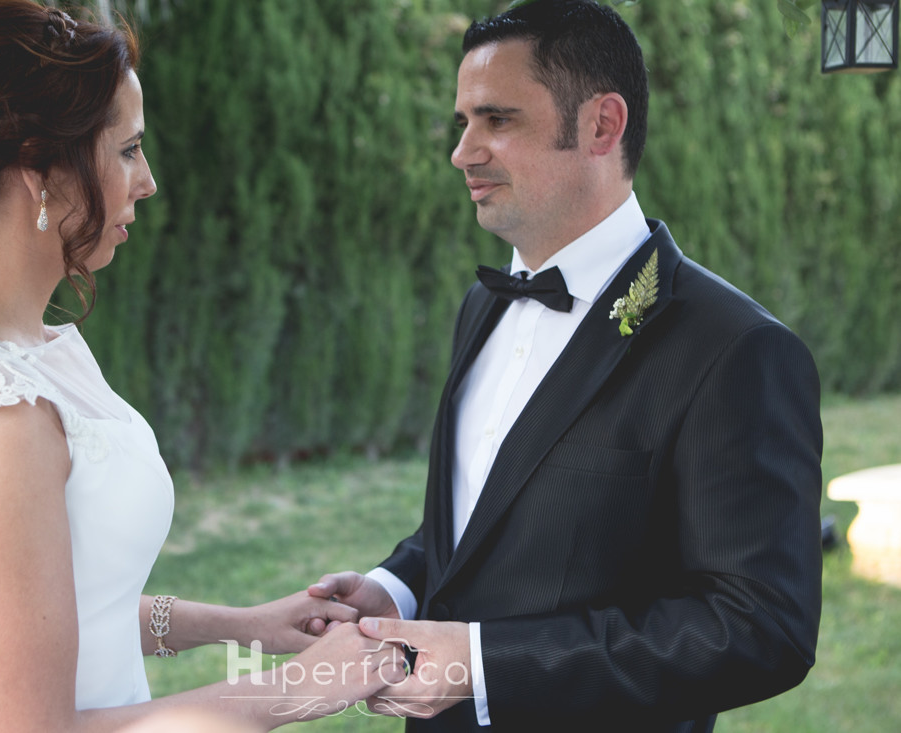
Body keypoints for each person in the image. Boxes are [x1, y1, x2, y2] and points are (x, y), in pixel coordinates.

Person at [0, 1, 402, 730]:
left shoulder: (29, 354)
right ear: (39, 167)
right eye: (127, 150)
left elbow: (49, 607)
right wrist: (301, 687)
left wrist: (241, 625)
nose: (147, 181)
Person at [308, 1, 824, 731]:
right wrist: (395, 588)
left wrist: (484, 665)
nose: (463, 152)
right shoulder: (481, 306)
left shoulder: (734, 350)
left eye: (497, 119)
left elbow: (760, 627)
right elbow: (488, 516)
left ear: (601, 126)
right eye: (464, 122)